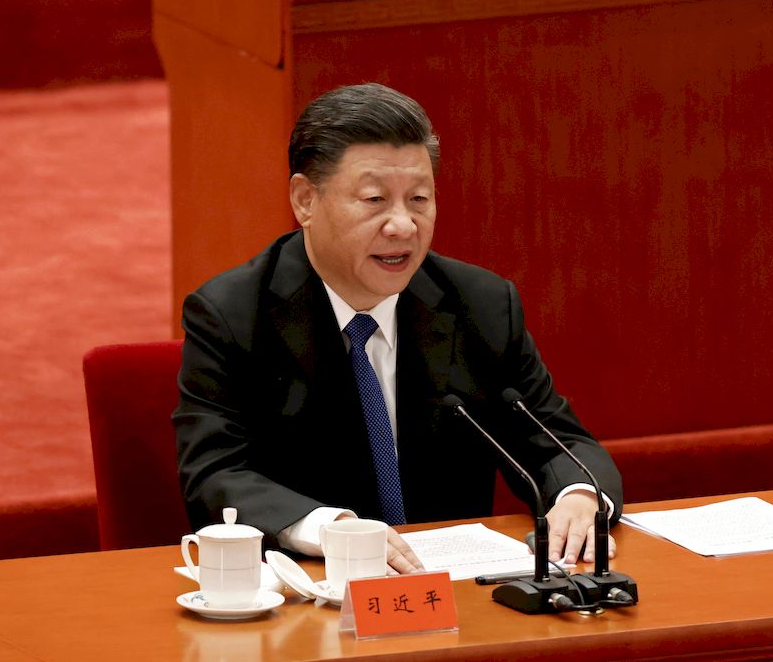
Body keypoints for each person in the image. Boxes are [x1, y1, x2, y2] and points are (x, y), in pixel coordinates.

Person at [173, 83, 622, 574]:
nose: (403, 226)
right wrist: (330, 528)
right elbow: (215, 472)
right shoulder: (233, 315)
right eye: (374, 200)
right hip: (315, 597)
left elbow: (559, 441)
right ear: (305, 200)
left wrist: (579, 496)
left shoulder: (480, 304)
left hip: (459, 600)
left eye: (419, 199)